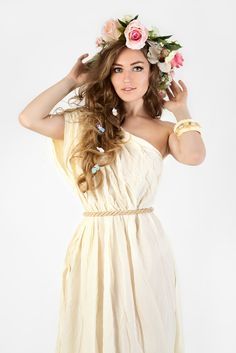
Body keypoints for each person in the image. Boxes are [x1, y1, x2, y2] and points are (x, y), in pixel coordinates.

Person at [18, 14, 206, 353]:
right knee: (96, 325)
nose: (127, 78)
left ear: (154, 73)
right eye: (117, 69)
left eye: (137, 67)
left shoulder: (163, 130)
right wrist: (69, 81)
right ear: (108, 75)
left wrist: (181, 111)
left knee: (148, 324)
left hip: (143, 239)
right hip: (96, 239)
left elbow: (194, 156)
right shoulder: (86, 123)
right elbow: (29, 118)